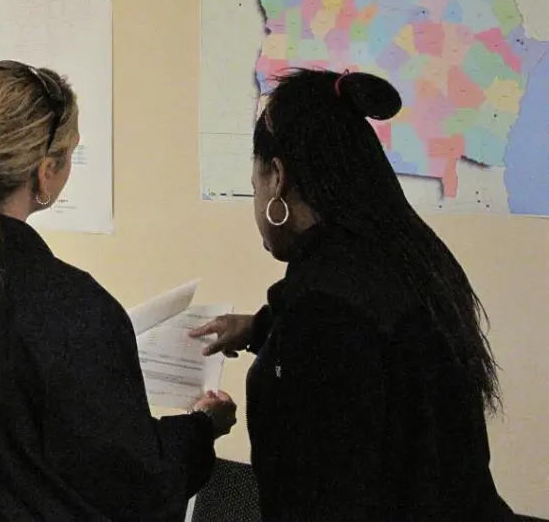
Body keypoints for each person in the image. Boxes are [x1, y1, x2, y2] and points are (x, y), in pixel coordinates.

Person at [0, 60, 237, 522]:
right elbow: (136, 485)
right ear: (45, 172)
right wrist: (201, 429)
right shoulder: (69, 306)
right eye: (71, 152)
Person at [191, 69, 515, 522]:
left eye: (254, 185)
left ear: (278, 178)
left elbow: (324, 492)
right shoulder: (404, 260)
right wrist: (261, 328)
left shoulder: (323, 316)